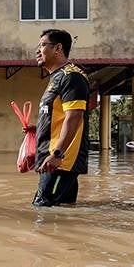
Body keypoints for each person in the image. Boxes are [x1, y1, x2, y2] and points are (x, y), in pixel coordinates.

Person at [33, 29, 90, 207]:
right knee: (63, 210)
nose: (37, 50)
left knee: (43, 209)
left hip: (60, 162)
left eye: (42, 45)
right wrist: (34, 135)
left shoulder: (72, 76)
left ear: (58, 48)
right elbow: (56, 118)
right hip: (53, 159)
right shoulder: (57, 78)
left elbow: (74, 118)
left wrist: (57, 154)